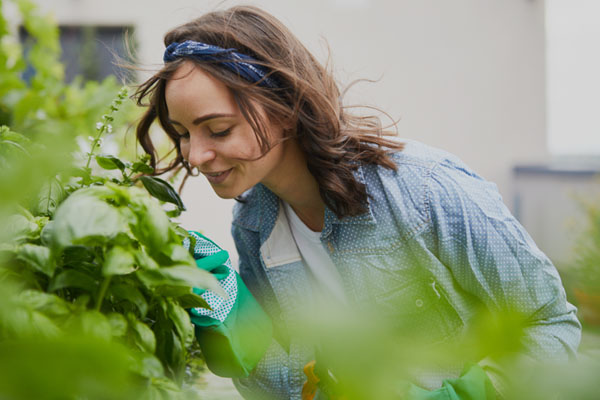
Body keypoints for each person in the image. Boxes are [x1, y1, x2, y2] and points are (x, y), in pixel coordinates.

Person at [134, 5, 581, 400]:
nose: (195, 155)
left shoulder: (424, 191)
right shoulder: (253, 224)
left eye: (218, 129)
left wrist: (467, 394)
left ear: (283, 105)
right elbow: (295, 388)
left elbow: (550, 326)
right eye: (184, 132)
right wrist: (248, 343)